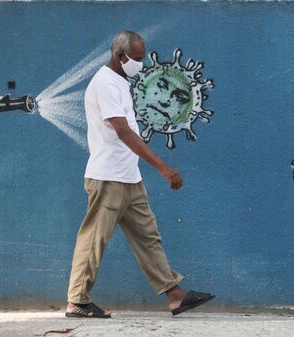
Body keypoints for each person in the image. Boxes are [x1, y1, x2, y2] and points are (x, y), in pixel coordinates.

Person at [66, 30, 214, 318]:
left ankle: (174, 295)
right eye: (136, 58)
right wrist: (162, 166)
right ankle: (77, 301)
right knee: (94, 239)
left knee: (148, 238)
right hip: (108, 178)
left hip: (128, 177)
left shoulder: (120, 81)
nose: (141, 64)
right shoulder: (106, 83)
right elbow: (122, 131)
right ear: (120, 56)